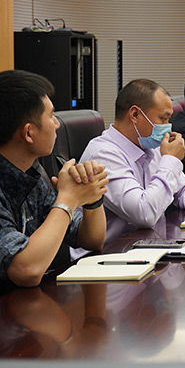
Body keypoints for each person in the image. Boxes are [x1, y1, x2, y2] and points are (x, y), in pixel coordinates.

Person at [0, 70, 108, 289]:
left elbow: (91, 240)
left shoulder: (32, 174)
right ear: (28, 133)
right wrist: (68, 199)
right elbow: (26, 270)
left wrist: (90, 198)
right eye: (51, 116)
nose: (57, 124)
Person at [81, 79, 185, 240]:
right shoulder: (103, 155)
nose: (168, 127)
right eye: (163, 119)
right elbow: (144, 214)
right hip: (112, 251)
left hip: (151, 245)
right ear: (135, 114)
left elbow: (183, 187)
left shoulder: (151, 146)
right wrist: (171, 160)